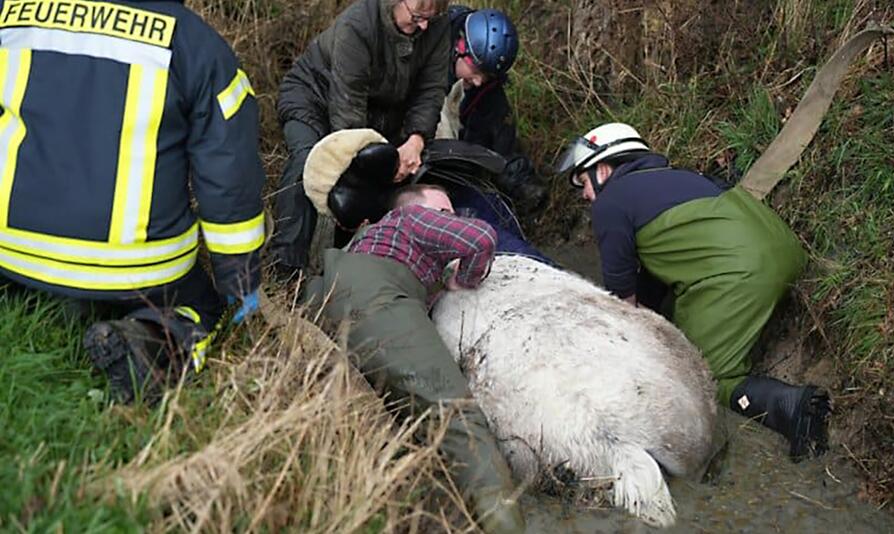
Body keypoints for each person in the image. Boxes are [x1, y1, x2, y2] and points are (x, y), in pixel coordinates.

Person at [0, 0, 266, 403]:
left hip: (11, 251)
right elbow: (229, 176)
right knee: (203, 309)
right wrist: (239, 281)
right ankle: (152, 342)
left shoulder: (13, 14)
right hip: (133, 270)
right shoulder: (193, 42)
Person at [556, 122, 831, 460]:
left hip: (740, 273)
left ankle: (794, 407)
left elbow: (622, 298)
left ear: (603, 168)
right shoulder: (683, 177)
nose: (584, 195)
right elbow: (660, 273)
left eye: (583, 182)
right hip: (786, 250)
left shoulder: (610, 203)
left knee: (701, 377)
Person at [314, 184, 526, 533]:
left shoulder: (370, 241)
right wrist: (463, 279)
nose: (451, 221)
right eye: (444, 214)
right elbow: (481, 238)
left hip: (334, 305)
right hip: (376, 302)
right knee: (460, 420)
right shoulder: (411, 218)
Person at [272, 0, 451, 274]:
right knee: (308, 162)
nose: (424, 25)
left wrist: (415, 140)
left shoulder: (436, 25)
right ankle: (287, 266)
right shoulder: (357, 26)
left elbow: (431, 90)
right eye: (417, 17)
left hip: (381, 111)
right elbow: (348, 113)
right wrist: (377, 161)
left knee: (393, 181)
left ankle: (351, 267)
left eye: (431, 17)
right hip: (315, 98)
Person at [443, 6, 547, 215]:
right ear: (460, 48)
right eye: (477, 71)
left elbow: (503, 145)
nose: (480, 81)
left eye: (487, 75)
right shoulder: (429, 46)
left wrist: (526, 187)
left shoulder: (488, 90)